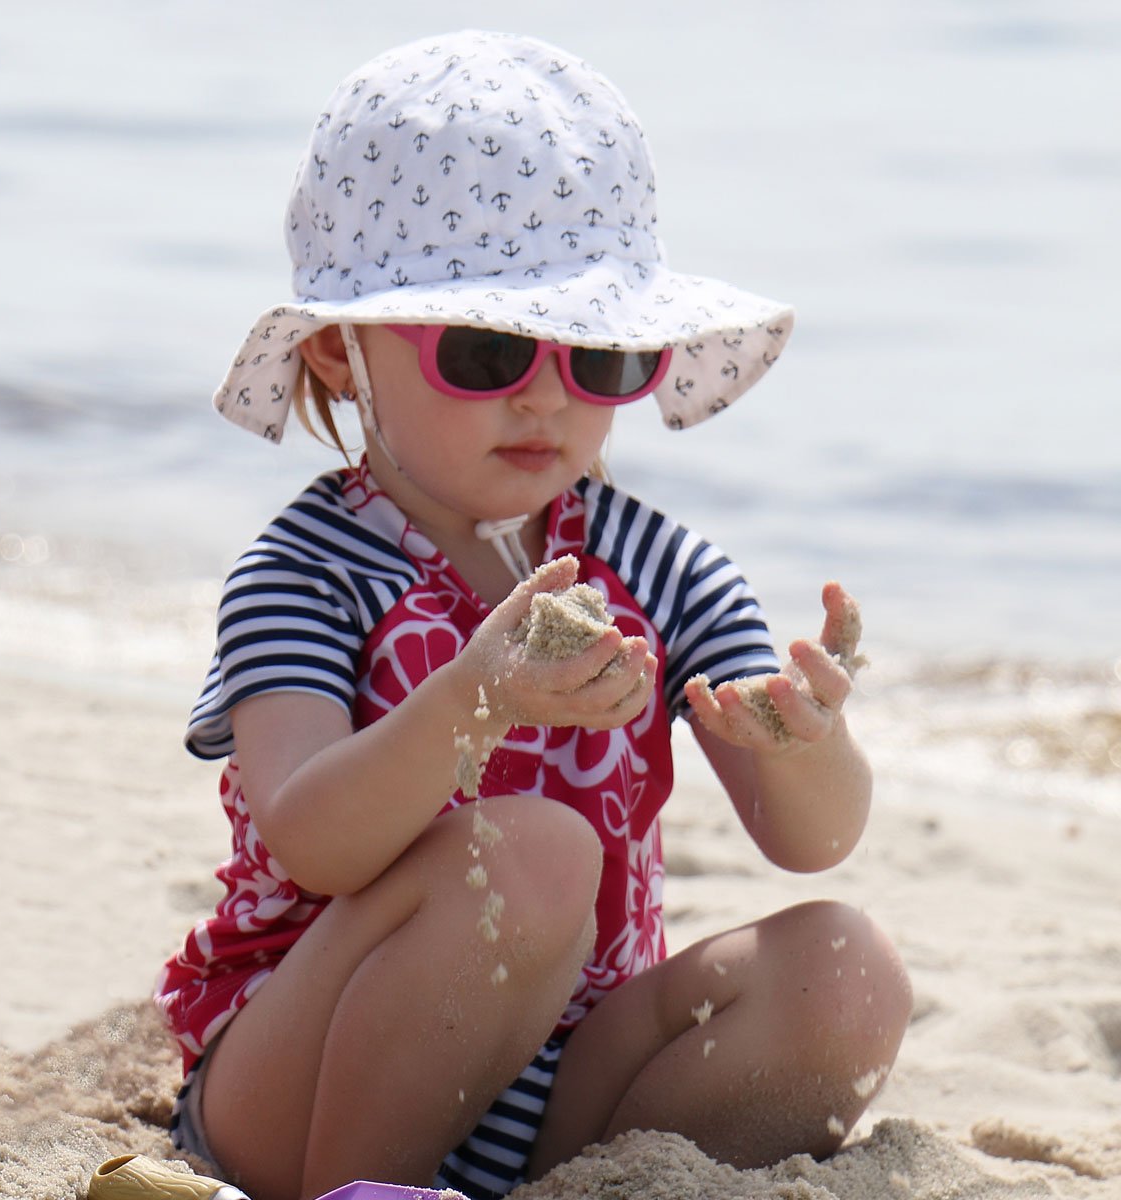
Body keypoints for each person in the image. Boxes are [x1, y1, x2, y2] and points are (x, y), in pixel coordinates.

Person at [154, 29, 912, 1200]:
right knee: (540, 854)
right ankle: (373, 1190)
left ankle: (592, 1184)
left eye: (597, 354)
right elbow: (311, 836)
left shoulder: (659, 567)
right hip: (302, 1074)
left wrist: (808, 744)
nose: (550, 395)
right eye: (490, 346)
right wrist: (474, 700)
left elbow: (806, 837)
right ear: (345, 356)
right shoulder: (307, 572)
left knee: (847, 967)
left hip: (561, 1077)